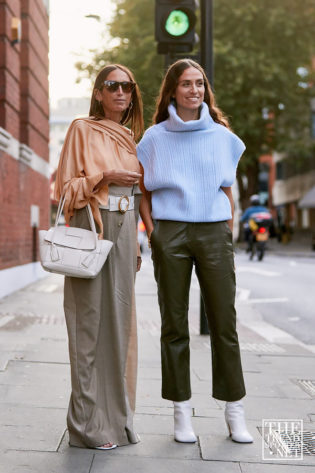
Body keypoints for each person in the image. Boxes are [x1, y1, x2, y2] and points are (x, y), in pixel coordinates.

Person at [138, 59, 253, 444]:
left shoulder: (222, 136)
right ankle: (181, 412)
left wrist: (228, 227)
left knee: (225, 322)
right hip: (170, 232)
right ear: (172, 90)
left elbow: (227, 187)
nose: (194, 90)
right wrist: (154, 234)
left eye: (199, 84)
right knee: (173, 325)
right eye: (186, 84)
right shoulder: (154, 138)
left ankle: (234, 411)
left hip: (213, 232)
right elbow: (144, 192)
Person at [54, 64, 144, 450]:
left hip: (125, 230)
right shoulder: (81, 129)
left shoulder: (130, 136)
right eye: (113, 86)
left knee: (121, 327)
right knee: (88, 326)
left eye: (127, 87)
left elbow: (137, 194)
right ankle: (86, 427)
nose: (121, 93)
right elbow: (64, 189)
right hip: (90, 224)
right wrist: (102, 177)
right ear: (98, 93)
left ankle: (118, 421)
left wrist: (138, 238)